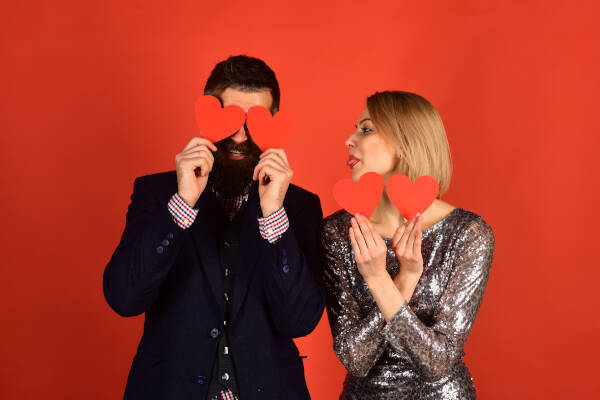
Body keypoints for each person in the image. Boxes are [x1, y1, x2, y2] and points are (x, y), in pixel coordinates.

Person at [103, 55, 325, 400]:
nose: (239, 136)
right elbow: (124, 298)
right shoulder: (156, 193)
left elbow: (299, 321)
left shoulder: (298, 206)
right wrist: (182, 205)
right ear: (206, 114)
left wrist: (273, 215)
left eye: (254, 122)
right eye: (230, 119)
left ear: (274, 124)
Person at [320, 91, 495, 399]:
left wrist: (380, 282)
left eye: (366, 129)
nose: (349, 140)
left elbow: (437, 362)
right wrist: (401, 279)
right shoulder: (337, 231)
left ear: (404, 143)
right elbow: (354, 358)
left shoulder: (468, 233)